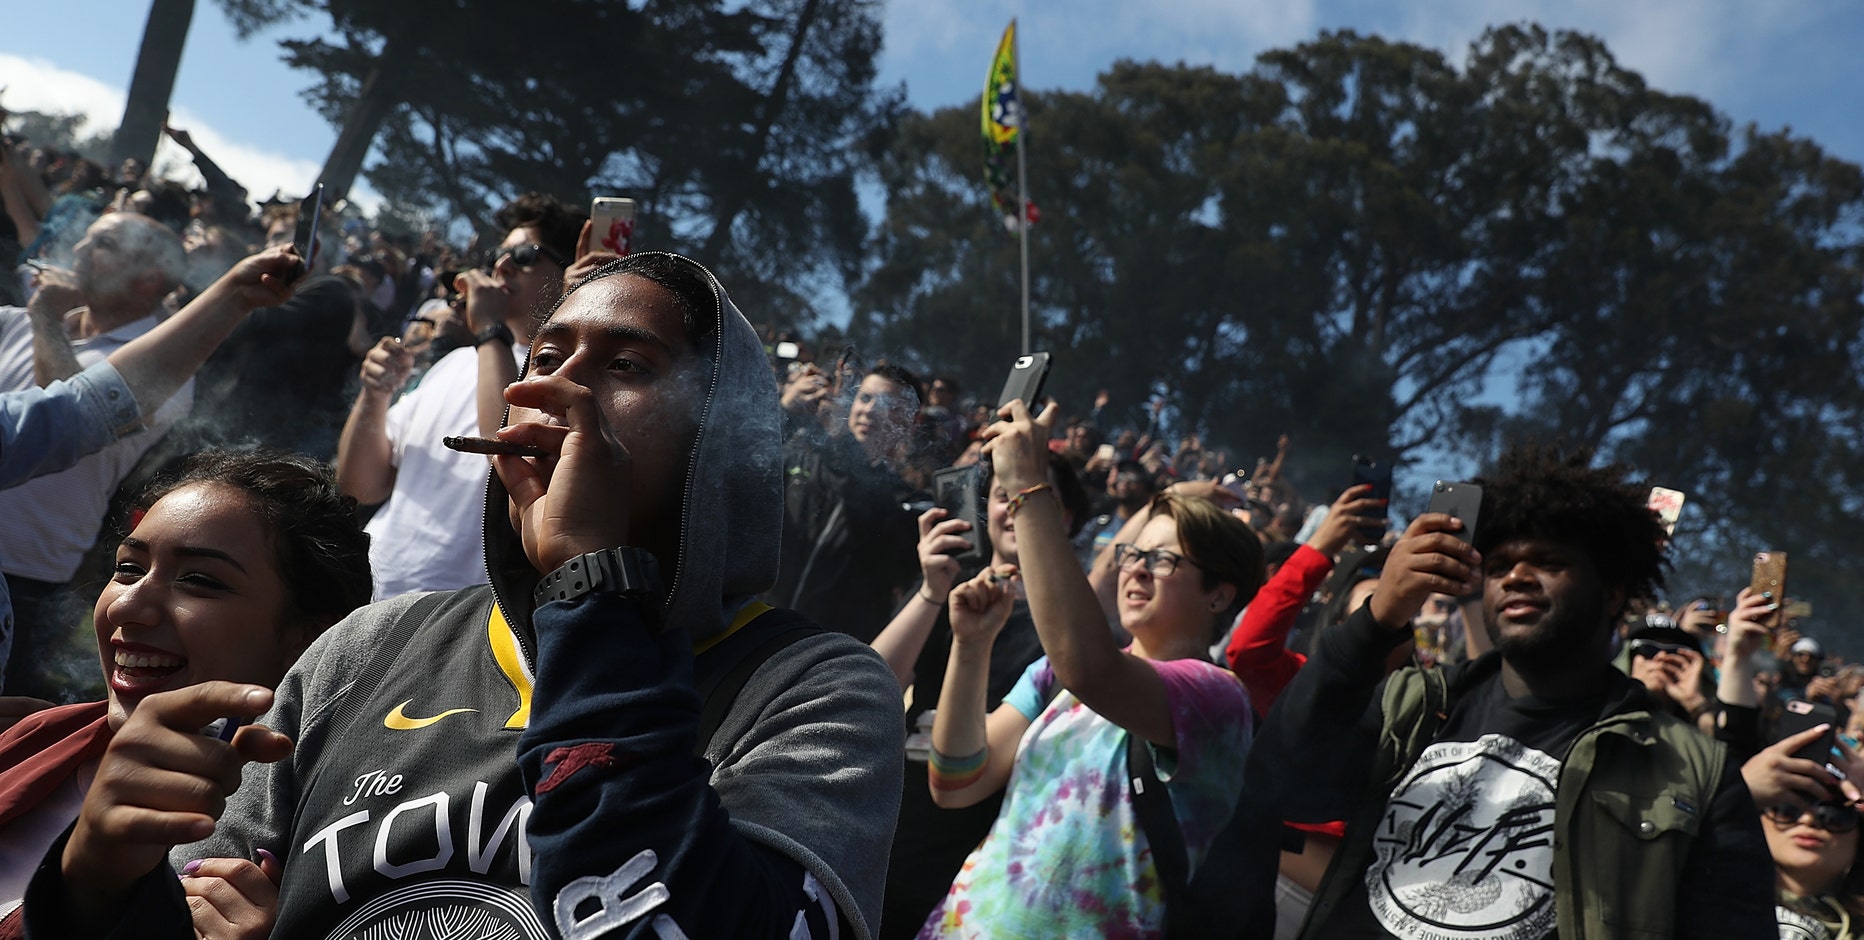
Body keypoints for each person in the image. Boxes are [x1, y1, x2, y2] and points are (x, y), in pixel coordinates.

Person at [26, 251, 903, 939]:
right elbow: (200, 909)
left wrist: (591, 585)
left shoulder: (813, 691)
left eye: (627, 364)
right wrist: (98, 887)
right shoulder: (369, 648)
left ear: (719, 442)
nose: (550, 389)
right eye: (547, 355)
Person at [1248, 445, 1775, 938]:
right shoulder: (1410, 705)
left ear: (1613, 594)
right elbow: (1283, 785)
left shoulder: (1694, 771)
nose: (1517, 576)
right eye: (1498, 567)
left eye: (1548, 562)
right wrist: (1375, 621)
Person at [917, 399, 1264, 938]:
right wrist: (971, 646)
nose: (1137, 571)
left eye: (1164, 560)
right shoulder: (1054, 676)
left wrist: (1030, 485)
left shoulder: (1217, 697)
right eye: (1134, 555)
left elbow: (1092, 670)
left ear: (1220, 595)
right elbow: (957, 782)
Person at [0, 450, 371, 921]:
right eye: (128, 568)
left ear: (308, 638)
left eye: (198, 581)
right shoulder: (39, 735)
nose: (127, 607)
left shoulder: (327, 843)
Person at [867, 453, 1091, 939]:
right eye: (1003, 496)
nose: (1013, 510)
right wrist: (931, 590)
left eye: (1032, 497)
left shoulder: (1070, 640)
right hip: (886, 829)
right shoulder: (948, 589)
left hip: (976, 860)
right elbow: (867, 687)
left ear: (1065, 519)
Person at [336, 192, 580, 599]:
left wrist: (488, 331)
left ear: (570, 273)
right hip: (363, 592)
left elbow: (504, 441)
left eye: (523, 255)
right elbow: (361, 487)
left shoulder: (566, 374)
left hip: (450, 622)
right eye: (497, 255)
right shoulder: (457, 362)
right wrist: (374, 395)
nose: (501, 266)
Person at [0, 213, 189, 699]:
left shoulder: (168, 373)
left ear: (148, 278)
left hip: (25, 572)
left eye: (102, 243)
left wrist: (45, 316)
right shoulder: (11, 322)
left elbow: (60, 414)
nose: (79, 250)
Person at [771, 362, 924, 642]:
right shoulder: (804, 456)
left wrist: (838, 439)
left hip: (825, 653)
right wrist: (785, 412)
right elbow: (741, 476)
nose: (870, 410)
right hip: (760, 626)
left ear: (910, 421)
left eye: (889, 404)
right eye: (865, 398)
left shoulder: (907, 502)